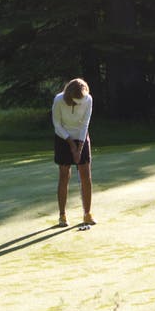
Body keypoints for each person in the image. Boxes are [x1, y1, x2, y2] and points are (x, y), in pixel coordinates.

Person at [52, 77, 94, 227]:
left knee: (85, 174)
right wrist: (71, 144)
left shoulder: (88, 99)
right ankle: (62, 215)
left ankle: (87, 214)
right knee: (64, 174)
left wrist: (80, 147)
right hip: (63, 137)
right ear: (70, 96)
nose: (80, 103)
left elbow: (85, 124)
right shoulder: (58, 100)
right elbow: (57, 124)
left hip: (81, 136)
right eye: (77, 101)